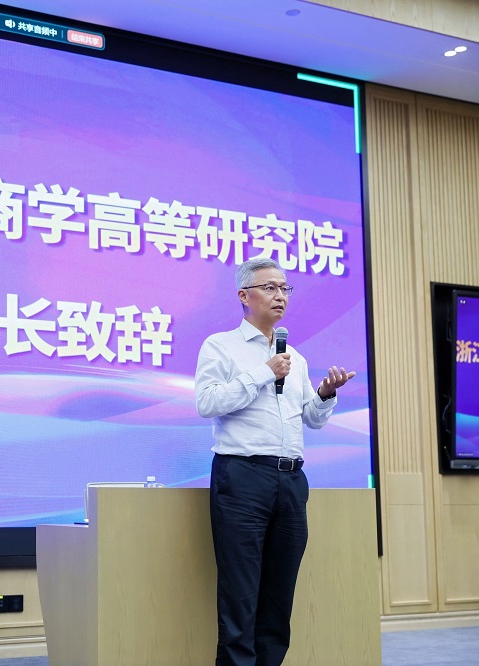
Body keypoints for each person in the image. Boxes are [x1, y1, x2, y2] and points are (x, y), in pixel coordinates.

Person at [195, 257, 356, 666]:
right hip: (242, 478)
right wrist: (263, 373)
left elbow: (312, 420)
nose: (280, 295)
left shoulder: (294, 358)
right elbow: (207, 402)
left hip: (291, 481)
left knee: (279, 597)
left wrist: (325, 394)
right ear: (244, 295)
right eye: (269, 287)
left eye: (285, 288)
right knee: (240, 595)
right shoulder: (220, 346)